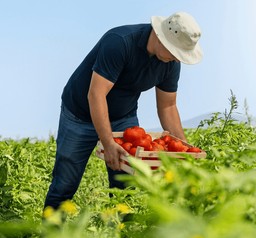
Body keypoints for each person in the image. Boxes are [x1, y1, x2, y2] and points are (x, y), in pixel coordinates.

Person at [43, 11, 203, 210]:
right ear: (163, 40)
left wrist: (184, 151)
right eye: (176, 53)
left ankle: (120, 236)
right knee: (65, 183)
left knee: (126, 184)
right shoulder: (120, 42)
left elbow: (168, 106)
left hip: (123, 116)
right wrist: (108, 142)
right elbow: (96, 95)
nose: (177, 59)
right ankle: (50, 234)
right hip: (80, 114)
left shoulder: (170, 64)